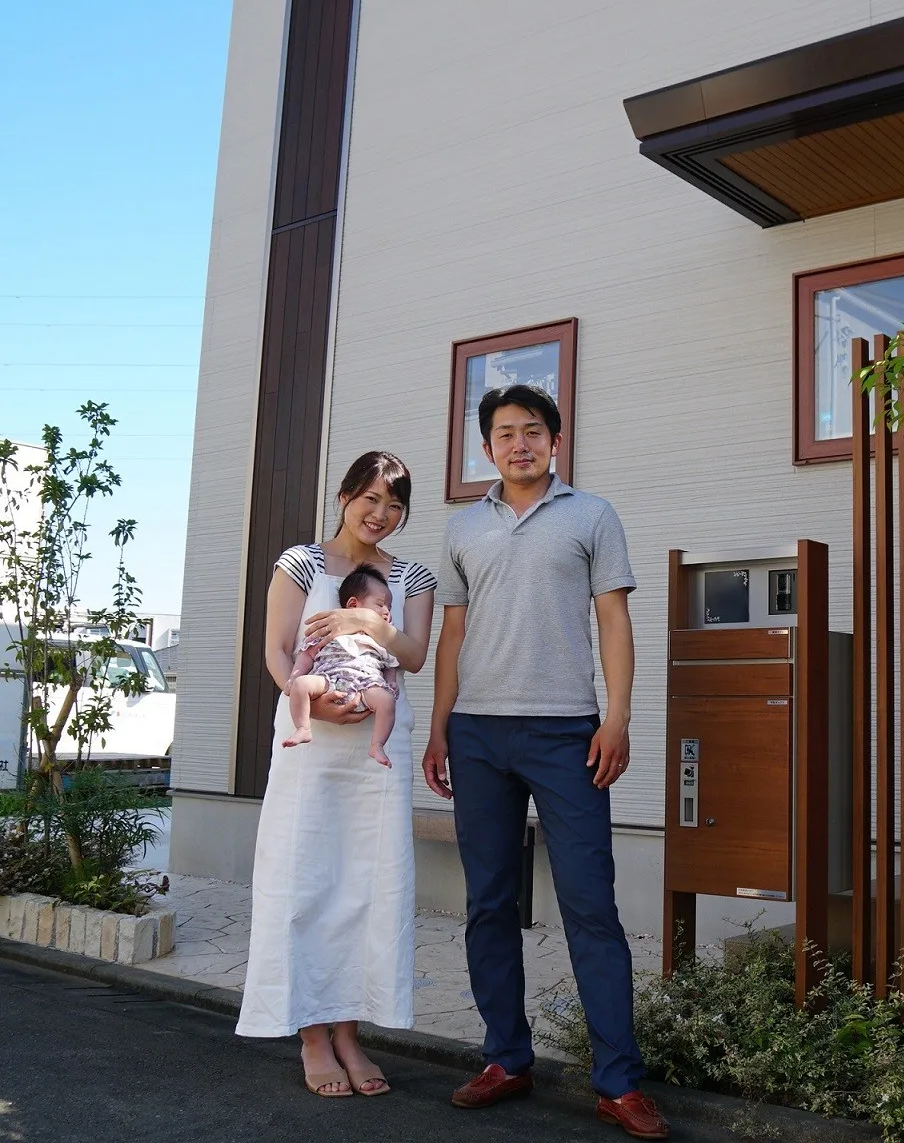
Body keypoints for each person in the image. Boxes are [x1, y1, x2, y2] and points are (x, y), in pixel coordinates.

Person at [424, 384, 668, 1140]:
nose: (519, 443)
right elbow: (453, 635)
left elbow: (614, 621)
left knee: (590, 905)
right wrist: (438, 730)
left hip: (567, 734)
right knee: (489, 903)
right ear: (486, 448)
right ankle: (506, 1059)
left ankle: (618, 1082)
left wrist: (617, 718)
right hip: (477, 734)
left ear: (554, 441)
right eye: (504, 433)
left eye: (533, 430)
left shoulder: (591, 515)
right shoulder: (463, 527)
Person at [237, 451, 436, 1100]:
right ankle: (312, 1037)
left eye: (394, 505)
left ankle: (349, 1033)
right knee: (305, 881)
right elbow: (276, 648)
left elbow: (413, 656)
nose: (380, 514)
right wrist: (311, 702)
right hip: (310, 746)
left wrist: (363, 620)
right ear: (346, 495)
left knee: (367, 888)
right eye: (370, 498)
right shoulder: (301, 562)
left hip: (377, 754)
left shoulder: (413, 576)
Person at [284, 564, 399, 768]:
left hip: (366, 685)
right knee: (300, 685)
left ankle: (377, 744)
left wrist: (391, 683)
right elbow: (307, 654)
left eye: (389, 608)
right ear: (353, 605)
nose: (386, 612)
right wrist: (294, 676)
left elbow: (390, 664)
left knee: (387, 701)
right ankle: (303, 728)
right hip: (328, 679)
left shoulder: (380, 638)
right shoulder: (332, 628)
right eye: (380, 604)